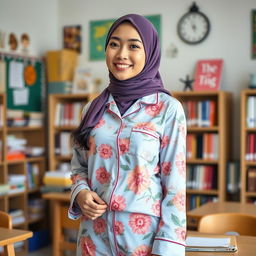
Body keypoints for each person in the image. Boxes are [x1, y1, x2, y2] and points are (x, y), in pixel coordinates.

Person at [68, 14, 186, 256]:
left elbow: (175, 186)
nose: (121, 54)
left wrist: (166, 249)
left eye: (134, 46)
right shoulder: (91, 109)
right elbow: (79, 167)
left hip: (143, 241)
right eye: (114, 44)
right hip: (93, 238)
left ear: (150, 53)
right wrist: (80, 193)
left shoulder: (167, 109)